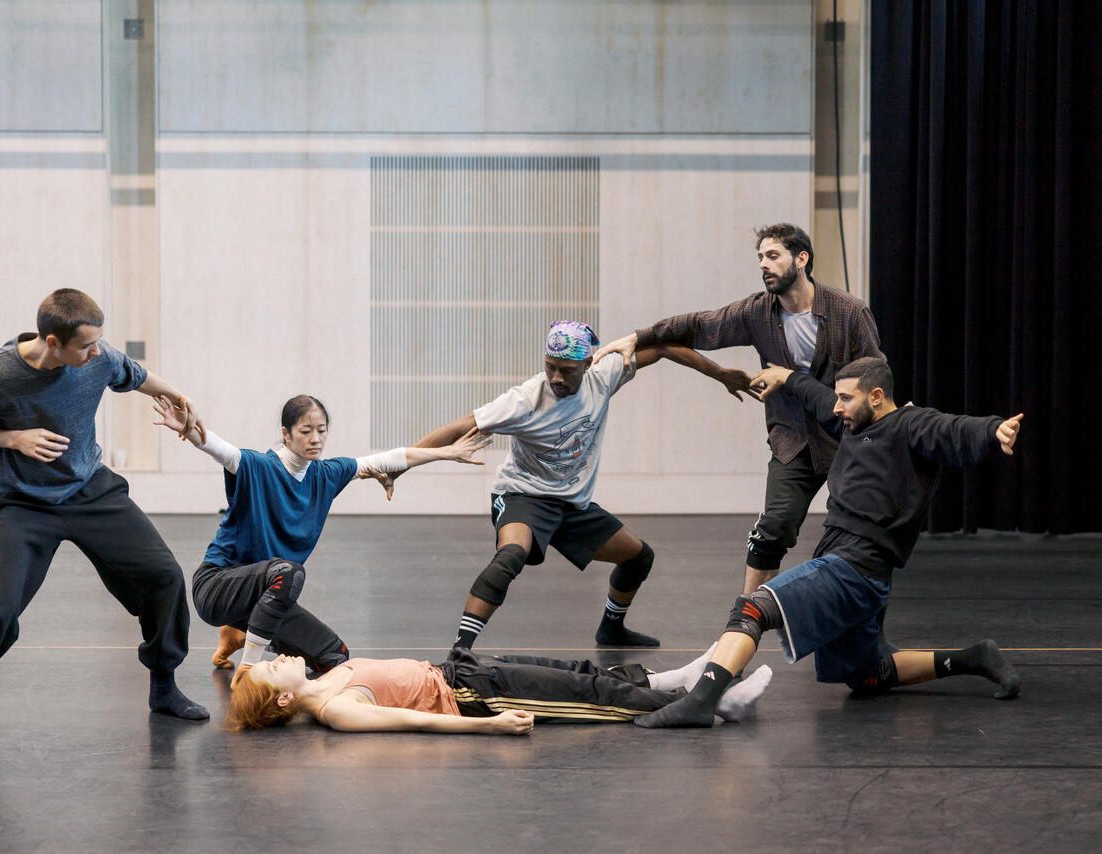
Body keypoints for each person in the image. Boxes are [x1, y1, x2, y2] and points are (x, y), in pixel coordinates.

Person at [635, 357, 1024, 728]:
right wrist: (786, 377)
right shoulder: (852, 426)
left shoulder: (910, 424)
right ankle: (975, 658)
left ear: (876, 396)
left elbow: (953, 429)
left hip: (855, 566)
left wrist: (993, 430)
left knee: (753, 608)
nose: (838, 407)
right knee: (868, 676)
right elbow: (819, 398)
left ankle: (700, 703)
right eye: (838, 397)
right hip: (857, 570)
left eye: (847, 398)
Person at [0, 289, 209, 732]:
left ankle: (164, 686)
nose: (96, 351)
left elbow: (134, 374)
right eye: (86, 345)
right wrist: (13, 439)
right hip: (24, 502)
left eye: (98, 341)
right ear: (52, 342)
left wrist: (178, 397)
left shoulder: (97, 357)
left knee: (164, 577)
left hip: (89, 489)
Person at [408, 320, 757, 650]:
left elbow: (665, 346)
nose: (556, 377)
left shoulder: (603, 376)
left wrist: (720, 373)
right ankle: (459, 652)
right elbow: (461, 425)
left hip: (572, 503)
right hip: (522, 495)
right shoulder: (524, 400)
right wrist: (400, 463)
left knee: (638, 557)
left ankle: (611, 630)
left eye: (567, 370)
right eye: (550, 367)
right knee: (512, 554)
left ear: (588, 364)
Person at [595, 223, 886, 596]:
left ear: (801, 259)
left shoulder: (849, 311)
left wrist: (878, 430)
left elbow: (876, 377)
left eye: (773, 256)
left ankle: (850, 613)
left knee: (857, 533)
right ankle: (745, 618)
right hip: (793, 440)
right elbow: (699, 325)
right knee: (772, 531)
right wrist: (638, 337)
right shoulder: (757, 313)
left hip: (848, 438)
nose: (763, 264)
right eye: (760, 257)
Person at [152, 394, 492, 672]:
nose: (315, 439)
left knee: (335, 656)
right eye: (305, 431)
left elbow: (390, 457)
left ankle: (239, 635)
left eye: (321, 430)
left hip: (262, 595)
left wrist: (446, 452)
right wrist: (190, 429)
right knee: (288, 573)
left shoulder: (326, 474)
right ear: (286, 434)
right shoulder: (257, 466)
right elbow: (217, 447)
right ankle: (248, 671)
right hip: (217, 587)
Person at [225, 646, 773, 733]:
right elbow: (417, 721)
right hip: (475, 698)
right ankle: (708, 702)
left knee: (574, 671)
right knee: (588, 696)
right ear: (284, 699)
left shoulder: (325, 676)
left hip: (461, 670)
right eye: (272, 669)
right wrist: (488, 727)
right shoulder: (337, 710)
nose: (278, 658)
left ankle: (677, 678)